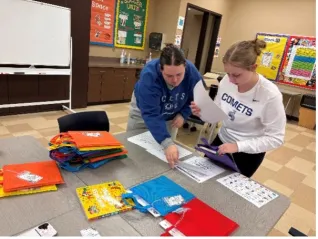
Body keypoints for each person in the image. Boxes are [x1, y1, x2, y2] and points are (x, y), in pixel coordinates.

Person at [191, 39, 286, 177]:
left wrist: (238, 146)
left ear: (254, 67)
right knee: (203, 180)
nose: (230, 79)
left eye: (236, 75)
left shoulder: (269, 95)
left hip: (247, 153)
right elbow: (220, 108)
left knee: (227, 194)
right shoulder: (226, 81)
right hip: (222, 141)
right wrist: (204, 112)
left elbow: (276, 138)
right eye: (228, 73)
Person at [127, 44, 203, 168]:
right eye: (169, 76)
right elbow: (151, 114)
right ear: (161, 69)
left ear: (185, 67)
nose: (175, 80)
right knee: (135, 151)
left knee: (164, 157)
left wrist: (184, 114)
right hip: (143, 113)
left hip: (171, 115)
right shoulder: (149, 76)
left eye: (179, 74)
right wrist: (167, 142)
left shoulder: (192, 73)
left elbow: (197, 97)